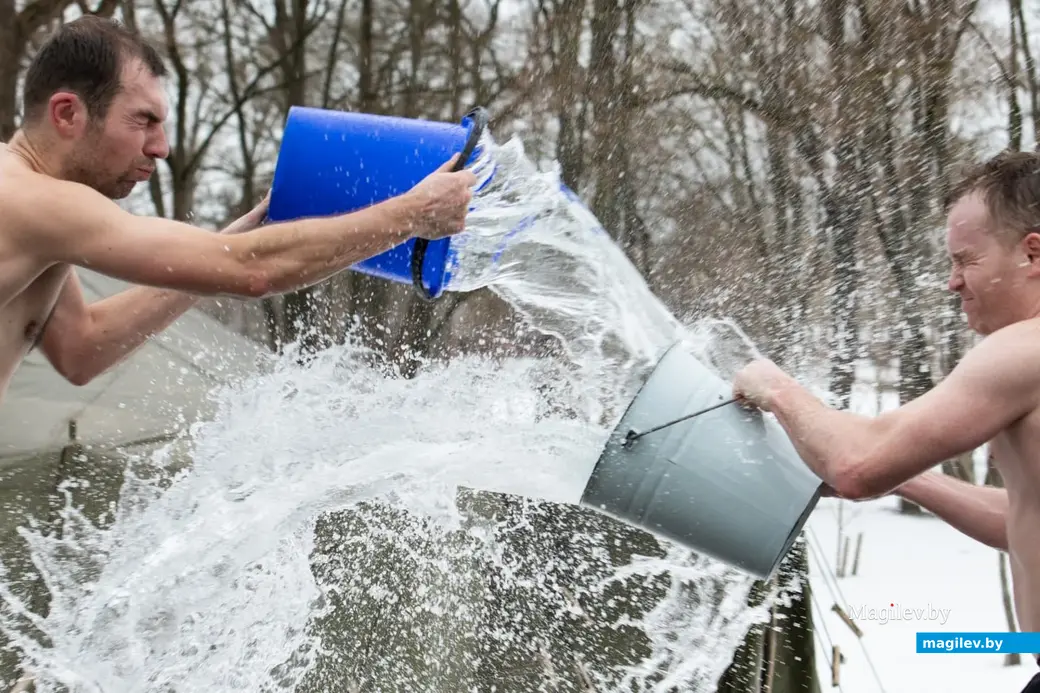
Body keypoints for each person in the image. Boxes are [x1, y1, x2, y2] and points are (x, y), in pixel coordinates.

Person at [0, 16, 476, 402]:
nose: (161, 147)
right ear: (67, 113)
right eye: (143, 120)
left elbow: (82, 348)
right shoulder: (31, 200)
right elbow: (252, 272)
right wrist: (411, 215)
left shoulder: (39, 214)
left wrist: (225, 245)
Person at [732, 149, 1040, 691]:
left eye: (966, 260)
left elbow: (856, 466)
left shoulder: (1023, 349)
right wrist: (910, 479)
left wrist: (773, 387)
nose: (952, 283)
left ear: (1032, 253)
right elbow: (1023, 518)